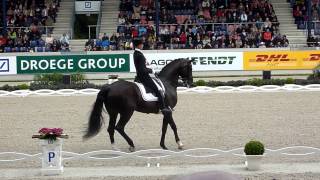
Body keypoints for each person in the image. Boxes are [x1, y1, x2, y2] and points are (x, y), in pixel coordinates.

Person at [133, 38, 171, 115]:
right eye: (142, 44)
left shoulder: (136, 53)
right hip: (144, 77)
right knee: (158, 90)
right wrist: (152, 71)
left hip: (140, 76)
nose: (143, 45)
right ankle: (162, 108)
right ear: (139, 45)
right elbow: (142, 69)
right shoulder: (139, 55)